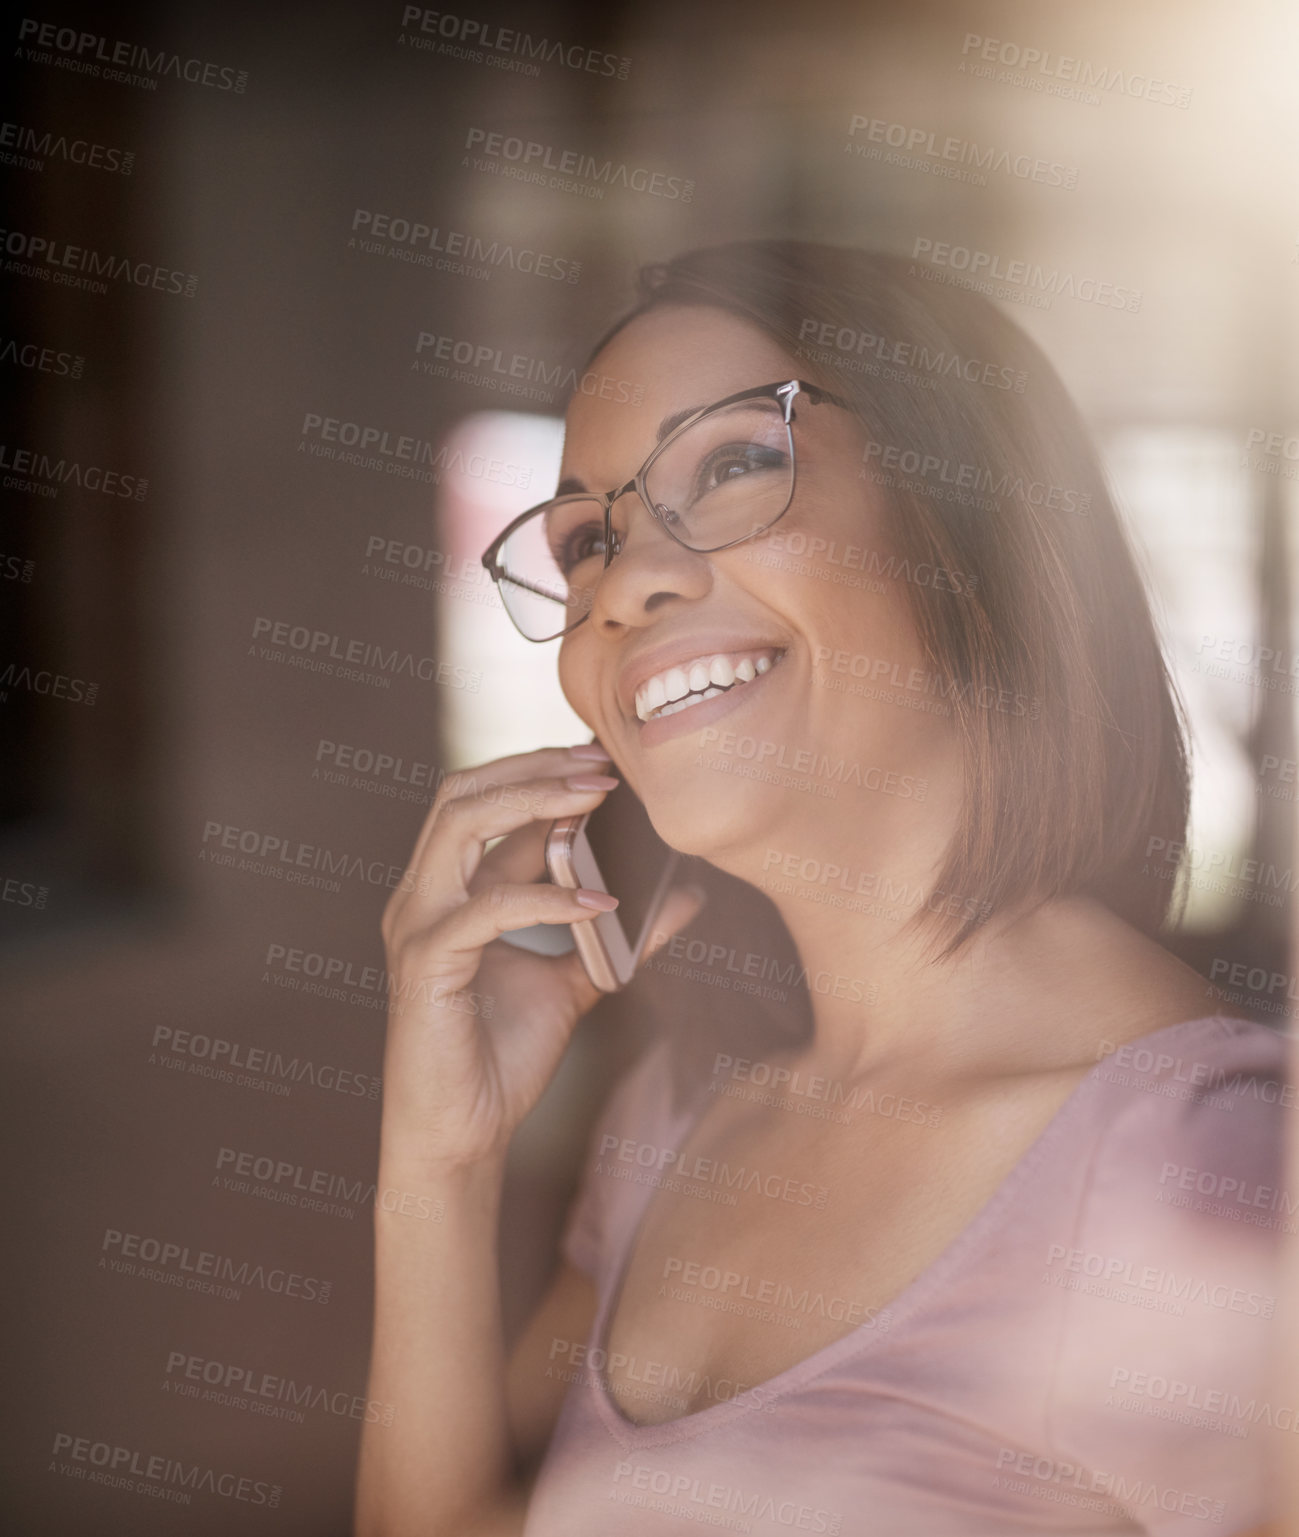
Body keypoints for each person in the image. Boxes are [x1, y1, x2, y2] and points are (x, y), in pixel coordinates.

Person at [353, 241, 1289, 1536]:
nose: (624, 583)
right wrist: (436, 1162)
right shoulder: (674, 1118)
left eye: (734, 462)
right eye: (585, 539)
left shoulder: (1226, 1167)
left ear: (980, 520)